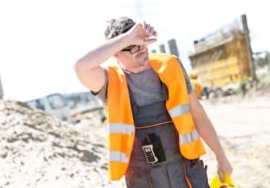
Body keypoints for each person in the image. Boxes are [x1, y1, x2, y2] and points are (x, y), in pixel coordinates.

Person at [74, 17, 233, 188]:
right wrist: (128, 37)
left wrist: (221, 157)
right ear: (116, 53)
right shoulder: (109, 82)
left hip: (187, 173)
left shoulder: (171, 66)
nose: (141, 49)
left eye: (142, 42)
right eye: (131, 46)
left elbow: (198, 115)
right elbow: (81, 66)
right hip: (144, 180)